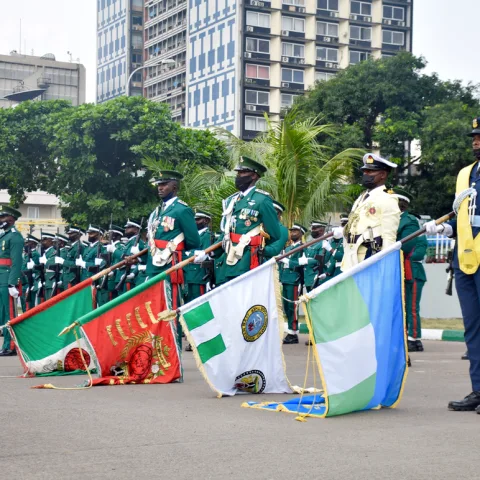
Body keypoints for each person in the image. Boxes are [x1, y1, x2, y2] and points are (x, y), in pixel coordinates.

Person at [425, 117, 480, 412]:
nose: (475, 141)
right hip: (465, 258)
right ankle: (478, 390)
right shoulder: (466, 175)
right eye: (474, 137)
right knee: (472, 328)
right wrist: (447, 231)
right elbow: (463, 218)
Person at [138, 171, 200, 344]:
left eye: (164, 184)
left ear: (174, 186)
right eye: (159, 185)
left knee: (170, 311)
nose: (160, 188)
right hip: (153, 267)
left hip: (170, 268)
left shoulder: (182, 209)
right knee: (152, 311)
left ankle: (172, 354)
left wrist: (178, 254)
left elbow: (193, 241)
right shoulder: (157, 211)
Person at [216, 157, 281, 285]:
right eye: (238, 173)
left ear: (254, 176)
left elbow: (274, 234)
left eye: (243, 173)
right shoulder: (231, 200)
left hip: (248, 259)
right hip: (228, 257)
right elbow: (226, 231)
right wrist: (211, 251)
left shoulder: (262, 200)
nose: (239, 176)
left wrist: (257, 244)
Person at [336, 153, 401, 271]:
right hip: (352, 257)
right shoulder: (362, 196)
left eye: (370, 172)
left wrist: (385, 266)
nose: (365, 174)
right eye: (365, 171)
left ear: (382, 174)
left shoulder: (388, 197)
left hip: (369, 258)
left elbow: (389, 236)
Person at [391, 188, 423, 353]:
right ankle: (405, 336)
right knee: (401, 306)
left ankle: (413, 338)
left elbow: (409, 246)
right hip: (396, 268)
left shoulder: (408, 221)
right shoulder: (389, 220)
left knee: (411, 307)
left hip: (409, 269)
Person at [0, 206, 24, 356]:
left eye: (2, 218)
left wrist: (12, 283)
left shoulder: (15, 236)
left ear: (11, 219)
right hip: (1, 278)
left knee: (10, 314)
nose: (0, 220)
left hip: (7, 279)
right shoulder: (4, 235)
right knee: (3, 315)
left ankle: (11, 346)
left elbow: (16, 262)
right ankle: (5, 344)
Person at [279, 223, 306, 345]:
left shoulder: (303, 247)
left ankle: (293, 333)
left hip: (294, 279)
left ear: (301, 234)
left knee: (293, 308)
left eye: (295, 231)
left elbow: (301, 263)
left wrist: (287, 261)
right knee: (286, 307)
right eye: (291, 231)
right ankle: (290, 331)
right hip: (285, 279)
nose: (292, 233)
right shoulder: (288, 248)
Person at [117, 219, 145, 293]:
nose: (126, 229)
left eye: (129, 227)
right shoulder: (129, 242)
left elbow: (140, 260)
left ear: (136, 230)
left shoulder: (139, 242)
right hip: (125, 273)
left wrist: (133, 273)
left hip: (132, 275)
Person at [302, 221, 328, 292]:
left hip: (317, 277)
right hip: (308, 278)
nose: (312, 230)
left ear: (321, 231)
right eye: (312, 228)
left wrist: (307, 261)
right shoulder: (312, 243)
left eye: (314, 228)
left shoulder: (324, 243)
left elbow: (321, 260)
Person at [21, 234, 40, 311]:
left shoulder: (35, 255)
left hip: (30, 282)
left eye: (27, 243)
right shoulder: (26, 255)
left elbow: (37, 270)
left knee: (28, 305)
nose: (25, 244)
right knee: (23, 304)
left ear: (33, 244)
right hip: (24, 282)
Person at [37, 232, 57, 302]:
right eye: (42, 240)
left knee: (50, 302)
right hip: (46, 281)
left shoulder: (53, 252)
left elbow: (53, 264)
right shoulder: (45, 252)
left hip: (51, 280)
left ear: (50, 241)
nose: (42, 242)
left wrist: (46, 262)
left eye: (44, 240)